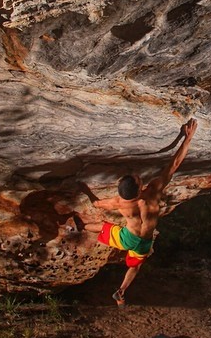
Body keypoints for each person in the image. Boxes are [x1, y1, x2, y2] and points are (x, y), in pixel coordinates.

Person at [80, 118, 198, 308]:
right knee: (136, 265)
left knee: (103, 227)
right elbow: (174, 165)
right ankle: (121, 290)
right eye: (138, 179)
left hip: (128, 238)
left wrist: (85, 189)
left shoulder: (120, 203)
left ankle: (83, 226)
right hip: (145, 241)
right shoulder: (153, 191)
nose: (139, 176)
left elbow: (96, 203)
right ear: (139, 188)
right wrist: (188, 138)